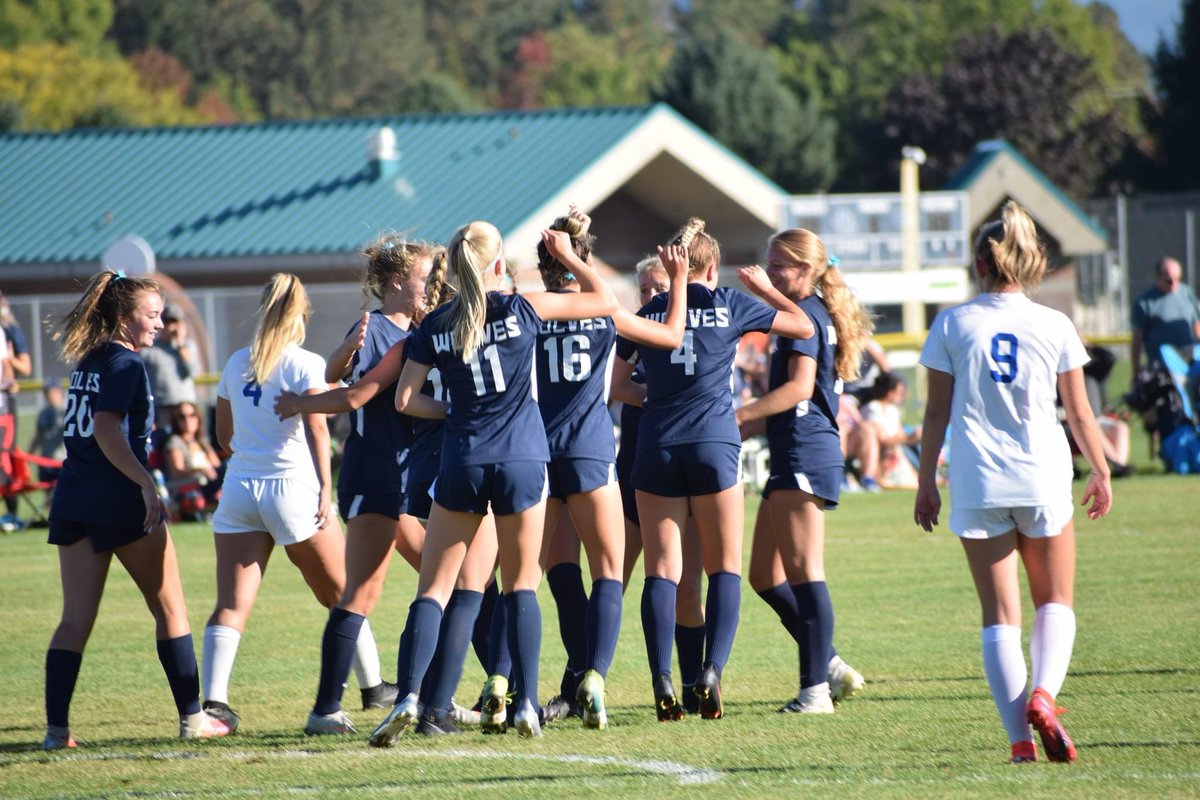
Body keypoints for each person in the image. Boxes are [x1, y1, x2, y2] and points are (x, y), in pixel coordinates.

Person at [369, 220, 620, 744]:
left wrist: (455, 409)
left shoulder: (436, 324)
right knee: (521, 585)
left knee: (434, 590)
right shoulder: (521, 308)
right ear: (499, 264)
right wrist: (569, 256)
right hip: (523, 458)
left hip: (463, 458)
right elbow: (604, 299)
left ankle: (410, 696)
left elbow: (405, 400)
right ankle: (525, 704)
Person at [913, 200, 1113, 764]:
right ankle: (1044, 696)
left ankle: (1021, 745)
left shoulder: (952, 323)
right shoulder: (1054, 323)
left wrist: (925, 482)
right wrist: (1101, 470)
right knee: (1055, 601)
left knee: (999, 617)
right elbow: (1080, 413)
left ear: (979, 263)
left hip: (978, 480)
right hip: (1042, 475)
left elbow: (935, 414)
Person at [613, 217, 816, 721]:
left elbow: (616, 387)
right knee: (723, 568)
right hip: (713, 442)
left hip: (657, 445)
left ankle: (663, 676)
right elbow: (804, 325)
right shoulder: (731, 303)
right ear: (713, 266)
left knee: (662, 571)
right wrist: (766, 291)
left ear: (672, 265)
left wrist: (658, 398)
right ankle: (711, 672)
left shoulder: (651, 312)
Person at [42, 270, 229, 750]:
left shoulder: (91, 357)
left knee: (75, 619)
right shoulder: (127, 363)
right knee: (170, 608)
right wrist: (147, 484)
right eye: (152, 315)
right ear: (124, 318)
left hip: (74, 497)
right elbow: (106, 429)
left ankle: (57, 731)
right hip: (117, 499)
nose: (160, 324)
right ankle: (193, 720)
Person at [201, 273, 390, 734]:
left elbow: (223, 437)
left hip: (240, 489)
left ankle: (214, 705)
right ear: (302, 313)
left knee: (231, 605)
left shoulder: (236, 361)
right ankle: (372, 687)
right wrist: (326, 488)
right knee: (345, 593)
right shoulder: (305, 362)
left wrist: (252, 453)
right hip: (291, 489)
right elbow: (317, 427)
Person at [272, 236, 435, 734]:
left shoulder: (421, 328)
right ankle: (327, 709)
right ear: (397, 282)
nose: (432, 285)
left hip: (404, 477)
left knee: (448, 581)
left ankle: (447, 695)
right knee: (363, 594)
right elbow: (349, 392)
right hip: (377, 473)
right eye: (425, 277)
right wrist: (301, 404)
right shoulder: (376, 328)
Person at [532, 208, 687, 730]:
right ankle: (592, 676)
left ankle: (524, 686)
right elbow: (671, 335)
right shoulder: (604, 309)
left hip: (538, 451)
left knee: (550, 574)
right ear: (583, 259)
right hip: (589, 448)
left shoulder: (528, 310)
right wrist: (679, 282)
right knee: (607, 573)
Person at [735, 230, 871, 714]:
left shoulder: (805, 315)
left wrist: (737, 415)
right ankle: (828, 665)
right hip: (792, 448)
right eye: (768, 263)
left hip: (805, 450)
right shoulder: (802, 314)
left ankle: (814, 691)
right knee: (764, 575)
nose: (770, 272)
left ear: (807, 270)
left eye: (779, 266)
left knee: (804, 571)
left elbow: (798, 390)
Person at [611, 254, 708, 712]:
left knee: (686, 589)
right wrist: (655, 397)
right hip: (635, 472)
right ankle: (582, 684)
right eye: (645, 289)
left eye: (659, 288)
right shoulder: (634, 333)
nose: (652, 296)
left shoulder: (692, 334)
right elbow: (612, 388)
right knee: (612, 582)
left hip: (680, 476)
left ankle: (691, 685)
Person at [1131, 256, 1200, 377]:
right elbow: (1137, 339)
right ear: (1158, 277)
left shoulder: (1187, 294)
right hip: (1161, 368)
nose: (1173, 283)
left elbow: (1197, 327)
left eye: (1177, 279)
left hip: (1189, 366)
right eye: (1168, 280)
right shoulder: (1144, 302)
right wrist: (1136, 368)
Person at [140, 305, 199, 431]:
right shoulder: (151, 349)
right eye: (168, 322)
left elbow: (193, 372)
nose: (171, 327)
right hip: (162, 408)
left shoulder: (188, 346)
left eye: (175, 322)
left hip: (186, 408)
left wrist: (180, 344)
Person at [862, 372, 921, 490]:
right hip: (881, 454)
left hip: (896, 450)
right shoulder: (873, 408)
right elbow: (881, 439)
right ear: (889, 393)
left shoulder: (893, 410)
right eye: (899, 393)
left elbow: (900, 435)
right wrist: (908, 438)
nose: (901, 396)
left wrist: (914, 437)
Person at [30, 378, 67, 514]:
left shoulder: (67, 410)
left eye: (50, 391)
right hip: (45, 461)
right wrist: (29, 454)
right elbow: (38, 435)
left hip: (62, 461)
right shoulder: (44, 412)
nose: (48, 395)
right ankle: (53, 520)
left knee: (63, 497)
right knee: (49, 501)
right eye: (46, 392)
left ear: (58, 391)